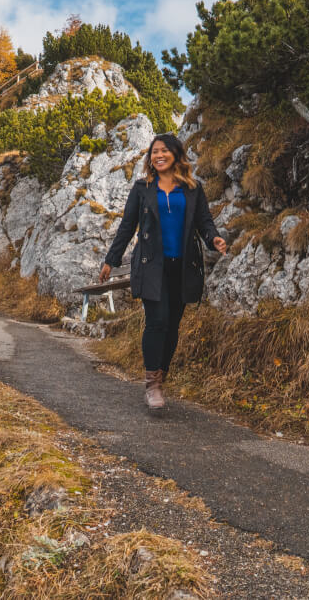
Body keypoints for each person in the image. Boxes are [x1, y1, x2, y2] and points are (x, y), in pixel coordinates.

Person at [100, 133, 227, 410]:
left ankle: (161, 374)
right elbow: (126, 227)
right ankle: (152, 385)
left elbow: (204, 222)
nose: (158, 155)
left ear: (175, 154)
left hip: (182, 266)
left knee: (172, 327)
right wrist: (111, 260)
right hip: (150, 266)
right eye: (154, 152)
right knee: (157, 321)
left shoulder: (192, 189)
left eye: (163, 151)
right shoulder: (142, 188)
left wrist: (213, 239)